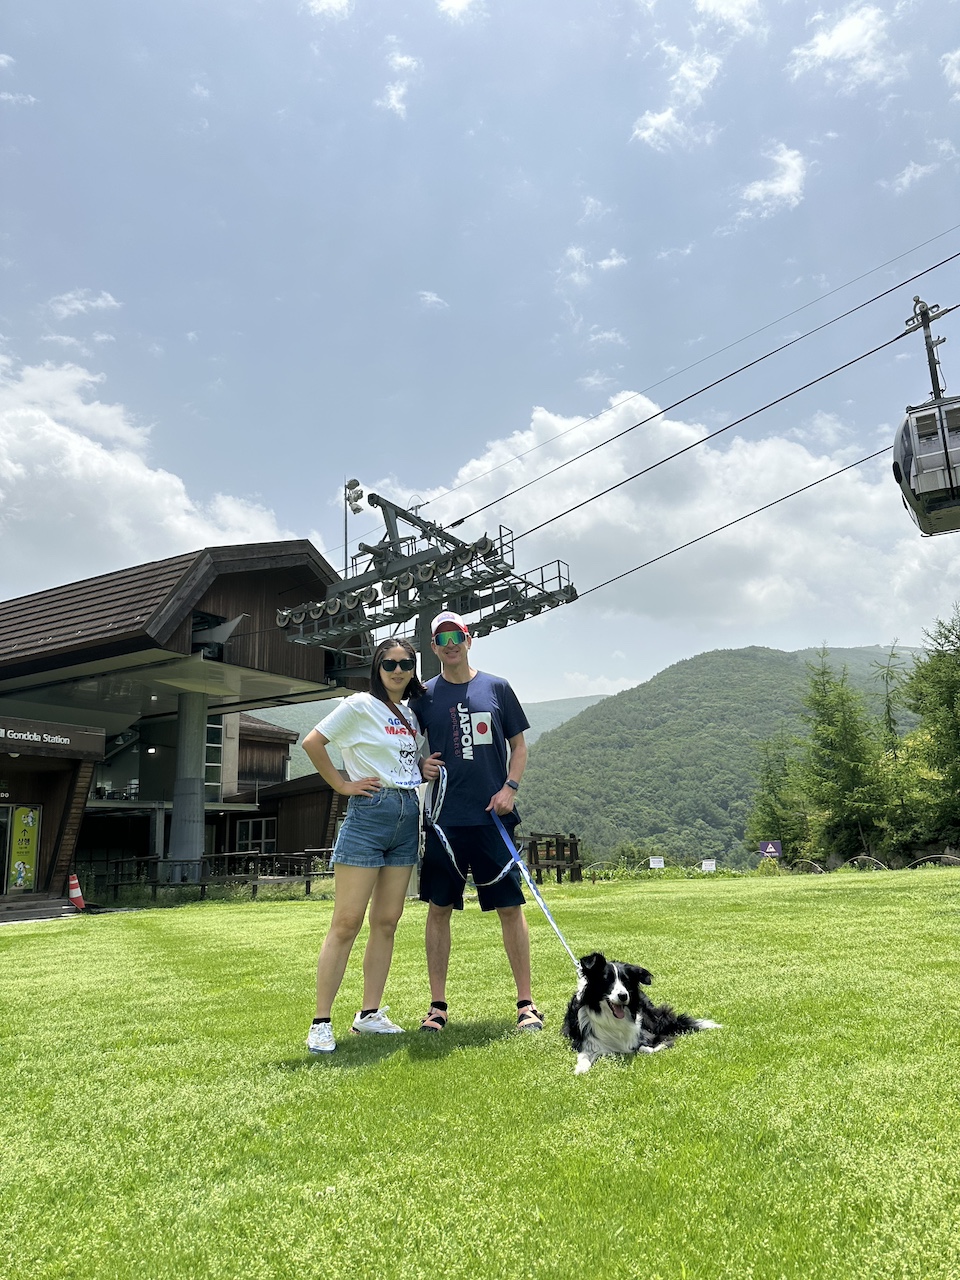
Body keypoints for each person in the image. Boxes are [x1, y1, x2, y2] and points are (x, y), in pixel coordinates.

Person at [301, 637, 441, 1054]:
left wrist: (421, 767)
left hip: (405, 816)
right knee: (346, 922)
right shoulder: (359, 704)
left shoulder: (411, 716)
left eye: (406, 664)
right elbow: (312, 742)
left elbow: (396, 760)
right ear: (377, 668)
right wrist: (342, 784)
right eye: (389, 664)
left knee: (386, 921)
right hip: (368, 815)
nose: (398, 670)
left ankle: (369, 1014)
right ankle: (320, 1022)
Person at [409, 611, 542, 1033]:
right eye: (442, 637)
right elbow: (402, 747)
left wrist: (511, 788)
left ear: (470, 639)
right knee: (439, 909)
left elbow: (518, 746)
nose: (450, 642)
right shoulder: (424, 696)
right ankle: (437, 1007)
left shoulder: (497, 687)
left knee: (509, 908)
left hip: (493, 819)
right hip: (445, 821)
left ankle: (525, 1004)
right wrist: (420, 764)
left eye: (457, 635)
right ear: (433, 647)